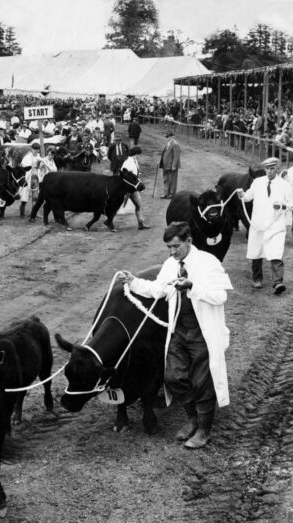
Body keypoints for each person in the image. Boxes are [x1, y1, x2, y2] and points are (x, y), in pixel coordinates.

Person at [118, 221, 233, 448]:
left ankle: (203, 430)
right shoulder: (171, 264)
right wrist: (133, 281)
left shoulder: (208, 263)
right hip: (178, 331)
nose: (172, 252)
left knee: (202, 382)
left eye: (176, 246)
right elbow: (157, 290)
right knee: (173, 378)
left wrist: (191, 286)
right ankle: (192, 418)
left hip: (202, 332)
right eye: (168, 247)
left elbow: (221, 296)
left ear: (189, 240)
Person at [237, 156, 293, 294]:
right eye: (267, 168)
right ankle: (257, 279)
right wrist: (241, 194)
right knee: (256, 251)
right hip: (258, 223)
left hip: (275, 224)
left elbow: (291, 203)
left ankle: (277, 282)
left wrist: (282, 205)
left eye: (272, 168)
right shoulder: (257, 182)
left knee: (276, 252)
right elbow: (248, 197)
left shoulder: (284, 185)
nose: (269, 171)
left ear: (277, 168)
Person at [120, 146, 150, 230]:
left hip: (133, 187)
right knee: (119, 205)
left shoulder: (134, 161)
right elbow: (126, 175)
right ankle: (109, 221)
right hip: (128, 187)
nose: (139, 156)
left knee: (138, 204)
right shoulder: (128, 162)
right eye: (138, 154)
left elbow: (133, 174)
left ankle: (141, 223)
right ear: (136, 154)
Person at [19, 142, 42, 218]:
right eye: (34, 149)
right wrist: (32, 166)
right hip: (28, 177)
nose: (36, 151)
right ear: (31, 149)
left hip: (36, 177)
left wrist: (39, 166)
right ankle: (22, 212)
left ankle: (34, 212)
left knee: (35, 196)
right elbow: (24, 167)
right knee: (25, 195)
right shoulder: (27, 157)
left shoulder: (39, 157)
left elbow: (41, 166)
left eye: (37, 150)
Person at [159, 130, 181, 199]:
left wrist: (174, 165)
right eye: (166, 136)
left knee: (172, 180)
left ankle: (172, 194)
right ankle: (166, 193)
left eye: (168, 136)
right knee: (166, 179)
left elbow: (176, 156)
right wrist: (161, 162)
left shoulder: (175, 144)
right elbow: (164, 154)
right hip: (165, 165)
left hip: (171, 166)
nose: (167, 138)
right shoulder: (167, 143)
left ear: (172, 136)